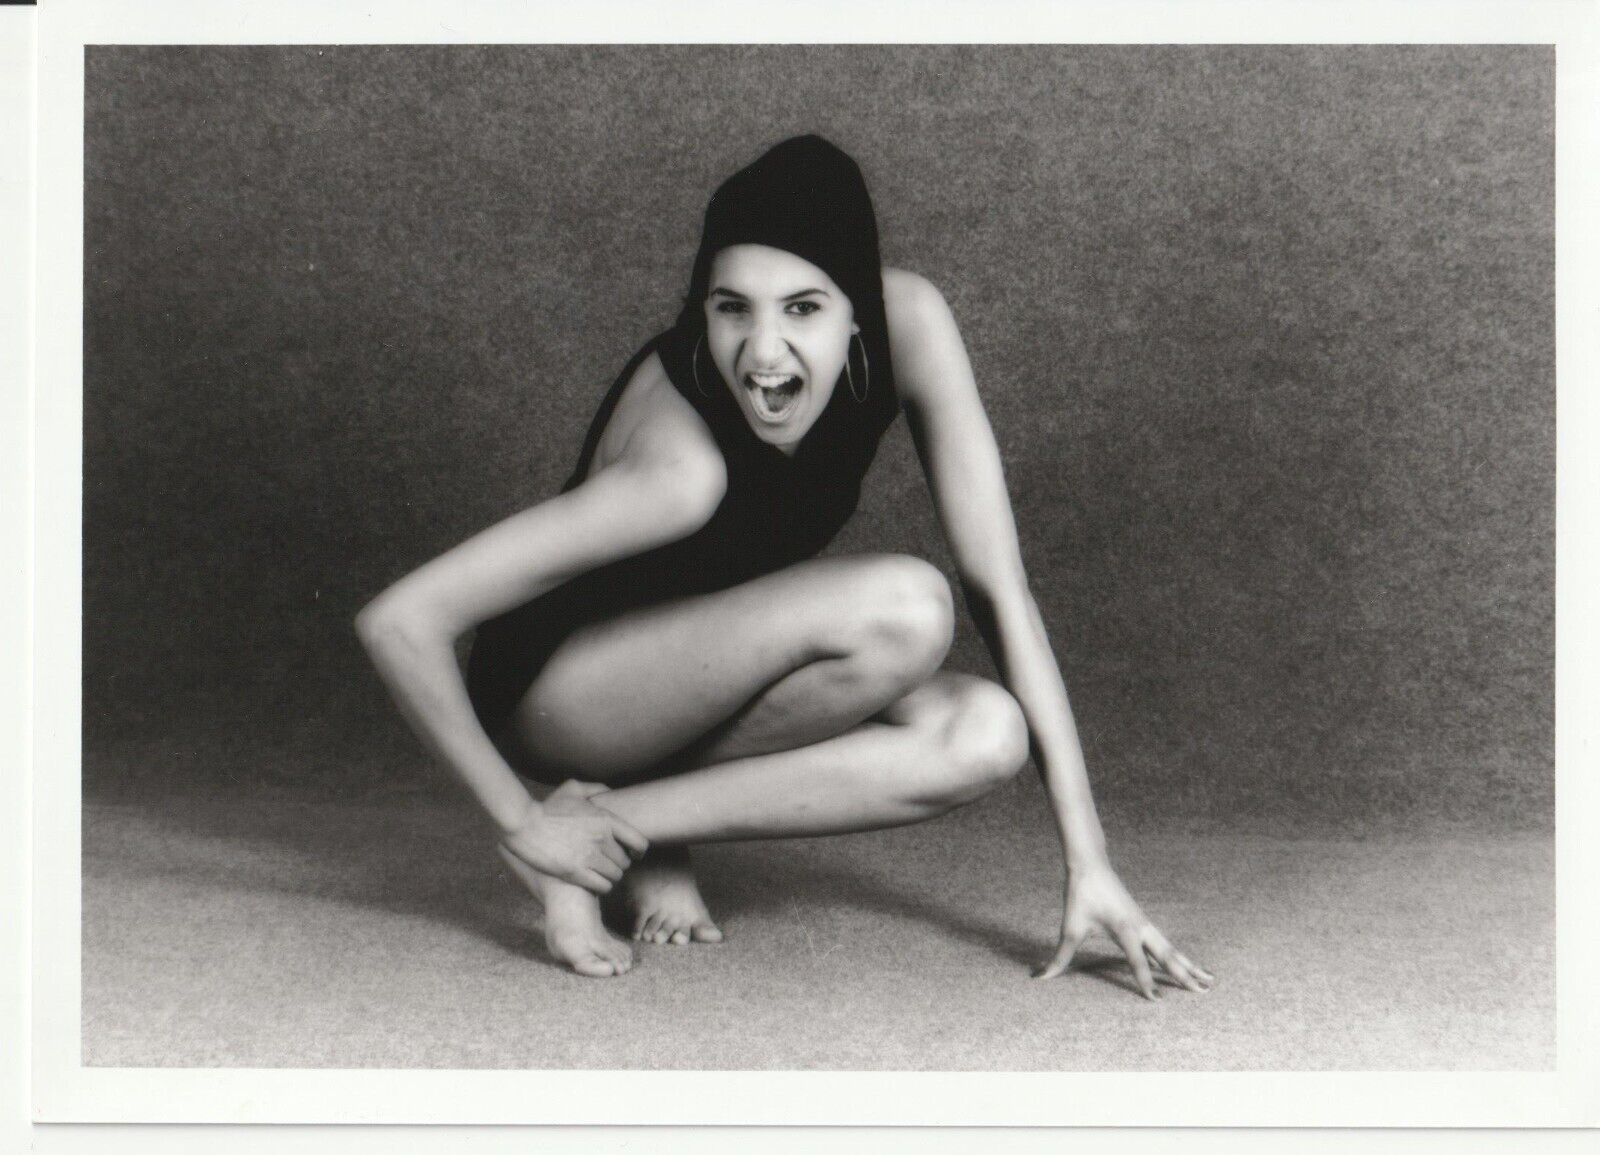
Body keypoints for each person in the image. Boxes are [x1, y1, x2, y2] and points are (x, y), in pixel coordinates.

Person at [356, 134, 1213, 996]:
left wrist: (1089, 858)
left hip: (704, 665)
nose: (763, 353)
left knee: (986, 733)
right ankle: (559, 845)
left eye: (802, 309)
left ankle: (610, 828)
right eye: (732, 308)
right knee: (908, 607)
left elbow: (1001, 586)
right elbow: (400, 621)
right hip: (561, 691)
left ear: (858, 308)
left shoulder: (912, 321)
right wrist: (518, 821)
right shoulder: (679, 472)